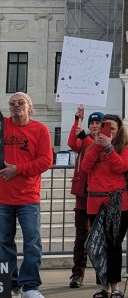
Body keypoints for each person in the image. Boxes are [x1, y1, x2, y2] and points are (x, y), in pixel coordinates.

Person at [0, 92, 53, 298]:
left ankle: (30, 286)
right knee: (4, 243)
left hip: (28, 197)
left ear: (30, 107)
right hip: (2, 197)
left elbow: (45, 161)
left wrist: (17, 169)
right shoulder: (2, 126)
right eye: (12, 103)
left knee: (32, 242)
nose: (15, 106)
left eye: (20, 102)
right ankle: (7, 284)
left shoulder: (40, 129)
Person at [81, 114, 128, 298]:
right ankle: (104, 286)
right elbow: (85, 167)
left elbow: (122, 167)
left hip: (117, 203)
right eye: (105, 127)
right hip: (95, 203)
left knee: (114, 245)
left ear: (118, 131)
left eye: (112, 128)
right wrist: (97, 146)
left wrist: (109, 148)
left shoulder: (125, 148)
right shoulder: (92, 147)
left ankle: (115, 285)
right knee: (99, 246)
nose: (108, 131)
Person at [67, 108, 104, 288]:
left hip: (99, 195)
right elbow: (72, 142)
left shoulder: (104, 141)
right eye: (92, 123)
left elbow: (94, 150)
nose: (94, 125)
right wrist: (78, 119)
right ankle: (77, 274)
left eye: (97, 123)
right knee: (81, 237)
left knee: (100, 236)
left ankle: (102, 272)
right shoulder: (84, 139)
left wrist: (85, 135)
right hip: (83, 195)